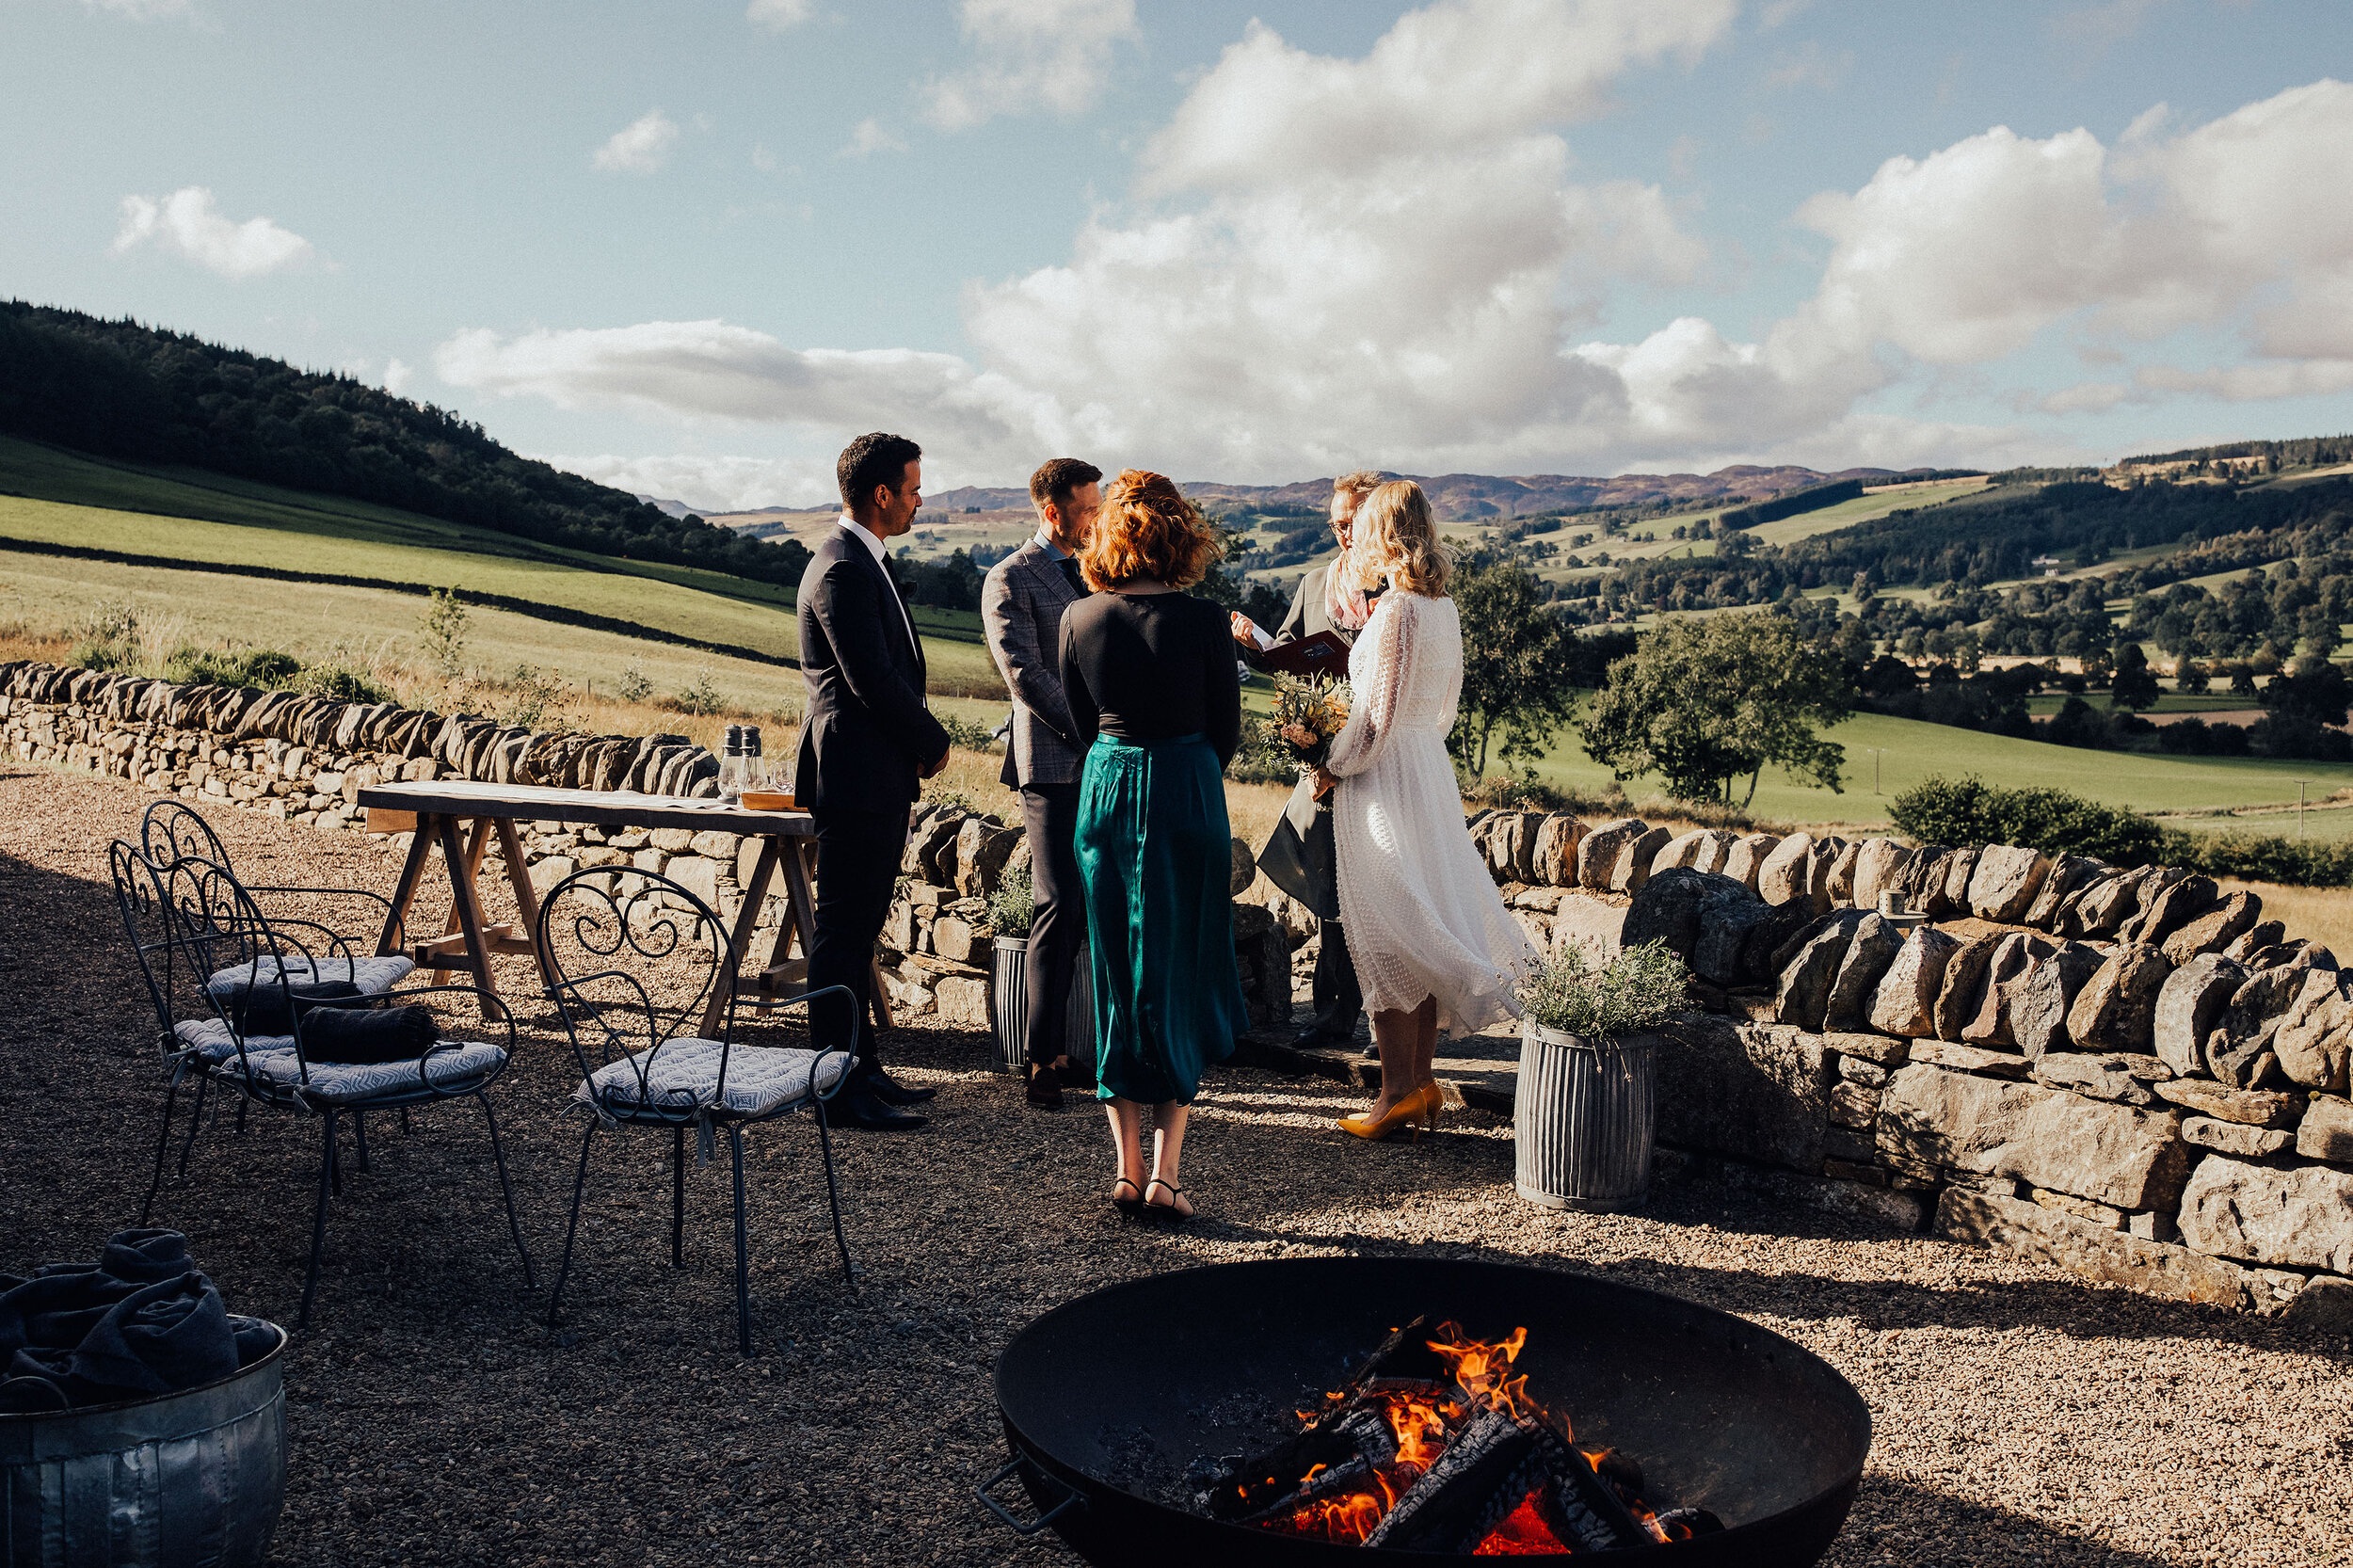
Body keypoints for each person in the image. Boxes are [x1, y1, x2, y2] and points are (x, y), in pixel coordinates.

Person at [1310, 480, 1537, 1140]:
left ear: (1384, 532)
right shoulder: (1444, 610)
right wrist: (1411, 751)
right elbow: (1441, 712)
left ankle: (1392, 1096)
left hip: (1382, 778)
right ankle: (1419, 1085)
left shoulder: (1397, 612)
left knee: (1387, 932)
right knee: (1423, 912)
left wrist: (1330, 763)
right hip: (1427, 772)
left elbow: (1375, 720)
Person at [1059, 470, 1251, 1222]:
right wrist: (1183, 769)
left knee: (1114, 971)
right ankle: (1169, 1173)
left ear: (1107, 534)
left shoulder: (1079, 619)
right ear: (1181, 532)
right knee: (1179, 969)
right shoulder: (1207, 623)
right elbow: (1226, 730)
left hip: (1107, 789)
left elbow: (1082, 723)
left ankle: (1126, 1168)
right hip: (1187, 789)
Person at [793, 431, 952, 1133]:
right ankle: (835, 1084)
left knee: (859, 931)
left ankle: (863, 1065)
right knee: (841, 929)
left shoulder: (864, 561)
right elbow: (870, 680)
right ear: (881, 493)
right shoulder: (841, 569)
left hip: (873, 770)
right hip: (854, 769)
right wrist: (932, 739)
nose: (920, 500)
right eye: (914, 489)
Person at [1231, 471, 1385, 1053]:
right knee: (1328, 886)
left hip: (1376, 757)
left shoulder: (1398, 586)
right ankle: (1331, 1014)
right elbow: (1289, 659)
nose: (1342, 533)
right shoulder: (1315, 581)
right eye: (1335, 523)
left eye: (1352, 522)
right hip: (1321, 758)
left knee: (1376, 889)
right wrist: (1257, 646)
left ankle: (1383, 1021)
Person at [981, 457, 1102, 1111]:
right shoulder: (1010, 578)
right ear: (1052, 512)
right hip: (1053, 763)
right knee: (1057, 904)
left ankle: (1073, 1047)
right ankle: (1038, 1059)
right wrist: (1095, 729)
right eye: (1088, 508)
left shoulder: (1097, 572)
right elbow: (1024, 675)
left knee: (1092, 905)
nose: (1097, 518)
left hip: (1109, 761)